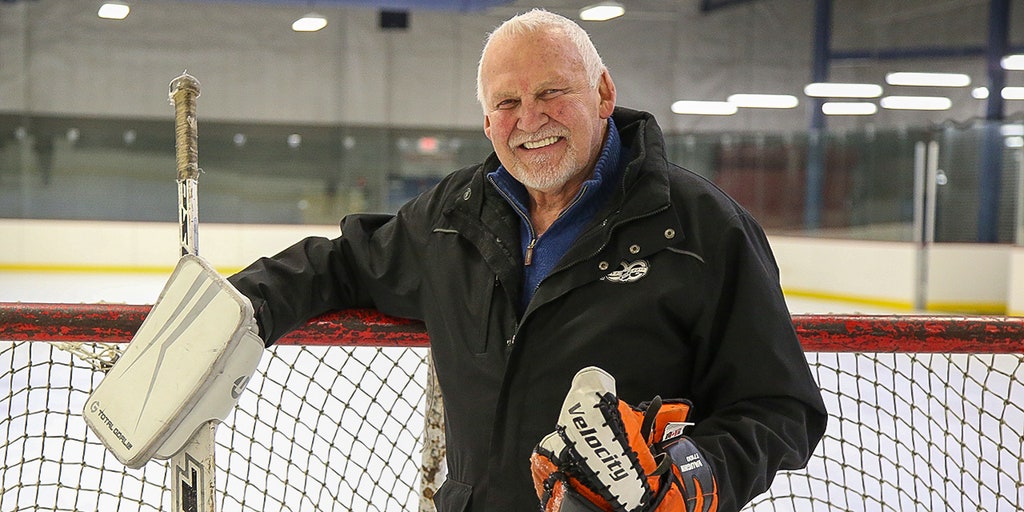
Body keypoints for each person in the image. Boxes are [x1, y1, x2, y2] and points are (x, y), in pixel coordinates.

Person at [228, 9, 827, 512]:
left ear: (604, 93)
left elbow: (781, 408)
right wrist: (237, 307)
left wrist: (689, 475)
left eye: (552, 92)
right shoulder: (453, 215)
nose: (530, 118)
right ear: (487, 121)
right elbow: (343, 263)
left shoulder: (701, 228)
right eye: (507, 101)